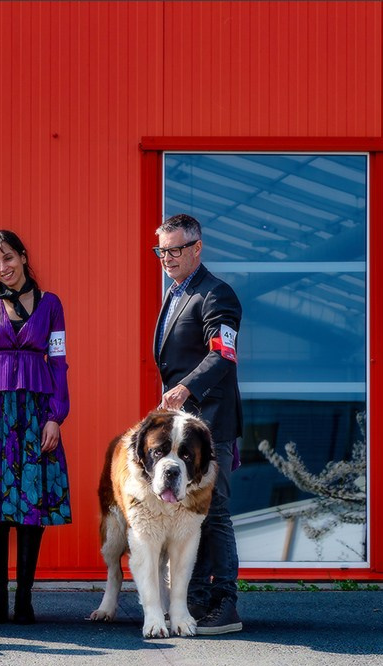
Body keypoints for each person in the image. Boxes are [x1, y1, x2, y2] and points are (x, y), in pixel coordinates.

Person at [0, 229, 72, 625]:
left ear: (22, 256)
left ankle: (24, 600)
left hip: (35, 413)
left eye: (8, 258)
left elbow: (59, 362)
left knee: (31, 504)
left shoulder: (51, 304)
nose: (2, 267)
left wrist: (56, 415)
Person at [152, 213, 244, 635]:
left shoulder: (216, 295)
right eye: (161, 250)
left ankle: (226, 603)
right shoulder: (175, 294)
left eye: (174, 250)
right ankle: (199, 600)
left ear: (196, 248)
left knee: (216, 511)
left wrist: (186, 388)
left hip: (212, 425)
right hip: (185, 428)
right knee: (193, 511)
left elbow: (222, 355)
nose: (167, 258)